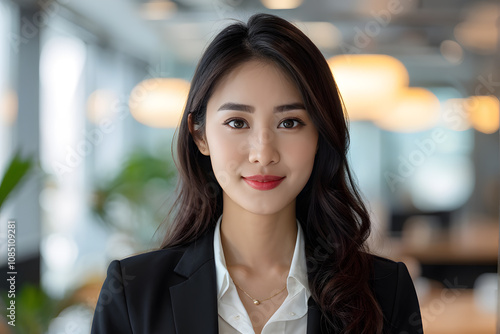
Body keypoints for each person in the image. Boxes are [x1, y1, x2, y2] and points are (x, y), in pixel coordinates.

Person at [91, 13, 423, 334]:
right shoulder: (132, 292)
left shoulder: (384, 291)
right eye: (237, 123)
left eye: (289, 122)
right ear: (200, 135)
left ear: (320, 136)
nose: (263, 153)